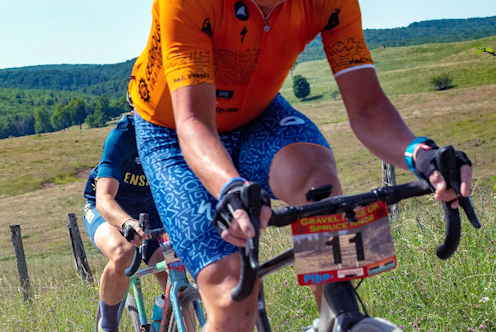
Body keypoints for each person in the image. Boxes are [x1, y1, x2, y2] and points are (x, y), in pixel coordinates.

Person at [127, 0, 474, 330]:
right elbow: (195, 123)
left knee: (319, 187)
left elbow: (367, 108)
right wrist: (230, 187)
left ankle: (334, 319)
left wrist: (422, 154)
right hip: (173, 130)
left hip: (257, 116)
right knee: (232, 299)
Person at [82, 113, 169, 332]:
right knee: (124, 253)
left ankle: (168, 316)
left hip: (148, 211)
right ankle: (107, 327)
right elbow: (104, 198)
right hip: (108, 209)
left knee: (173, 267)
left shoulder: (172, 133)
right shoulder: (121, 137)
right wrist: (126, 223)